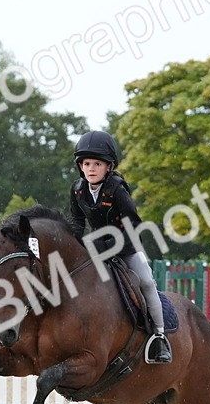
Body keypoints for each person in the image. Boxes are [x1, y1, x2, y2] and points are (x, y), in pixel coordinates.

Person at [67, 130, 171, 364]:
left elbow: (133, 224)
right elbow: (76, 221)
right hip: (96, 247)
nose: (91, 168)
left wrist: (106, 245)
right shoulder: (77, 189)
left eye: (97, 163)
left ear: (109, 166)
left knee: (145, 281)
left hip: (126, 244)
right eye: (86, 164)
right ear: (80, 166)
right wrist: (75, 245)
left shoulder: (117, 189)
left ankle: (160, 336)